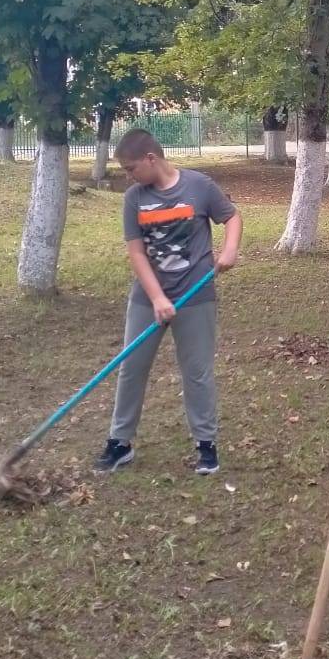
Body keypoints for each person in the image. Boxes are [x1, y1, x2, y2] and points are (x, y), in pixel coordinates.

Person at [95, 129, 242, 475]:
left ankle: (206, 446)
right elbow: (136, 253)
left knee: (197, 371)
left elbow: (231, 217)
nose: (129, 176)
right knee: (131, 368)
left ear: (151, 159)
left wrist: (230, 248)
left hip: (195, 295)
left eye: (132, 168)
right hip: (148, 299)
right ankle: (120, 442)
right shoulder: (134, 199)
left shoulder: (199, 186)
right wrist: (157, 297)